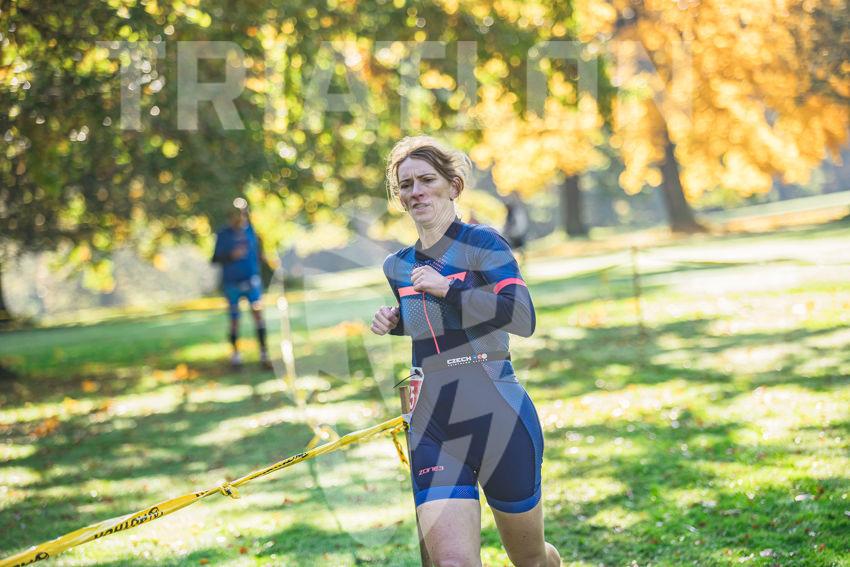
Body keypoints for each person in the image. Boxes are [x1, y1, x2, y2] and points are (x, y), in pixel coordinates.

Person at [371, 136, 561, 566]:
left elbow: (522, 316)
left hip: (497, 412)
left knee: (529, 558)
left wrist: (449, 289)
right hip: (432, 419)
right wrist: (396, 322)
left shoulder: (484, 244)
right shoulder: (397, 265)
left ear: (453, 186)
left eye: (427, 180)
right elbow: (434, 327)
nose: (416, 191)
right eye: (406, 185)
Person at [211, 198, 271, 369]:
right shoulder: (223, 234)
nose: (240, 217)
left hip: (252, 281)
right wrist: (231, 255)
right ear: (231, 216)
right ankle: (236, 357)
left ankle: (264, 355)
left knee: (258, 315)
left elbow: (258, 252)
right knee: (234, 320)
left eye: (243, 214)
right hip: (232, 284)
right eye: (237, 214)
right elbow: (214, 259)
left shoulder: (250, 231)